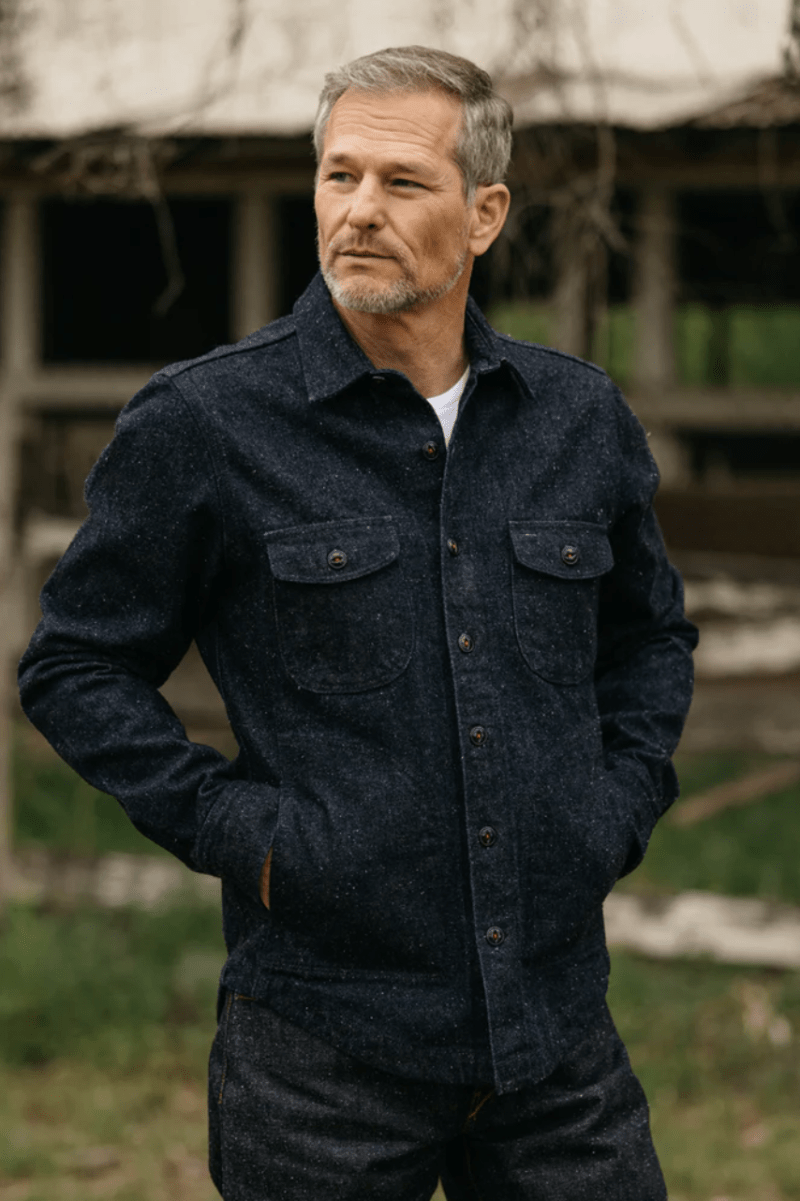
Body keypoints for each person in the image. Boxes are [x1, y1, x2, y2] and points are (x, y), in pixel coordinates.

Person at [18, 44, 697, 1201]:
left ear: (483, 214)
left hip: (552, 1038)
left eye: (401, 182)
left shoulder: (577, 419)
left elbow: (647, 642)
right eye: (338, 178)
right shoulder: (209, 421)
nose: (358, 213)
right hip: (321, 1054)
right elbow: (75, 664)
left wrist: (611, 808)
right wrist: (245, 834)